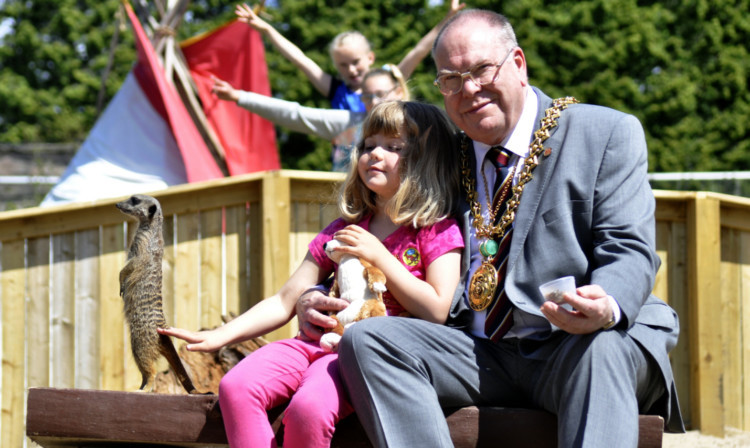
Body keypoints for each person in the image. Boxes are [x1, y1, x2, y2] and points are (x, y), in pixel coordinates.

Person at [297, 9, 685, 447]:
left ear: (518, 64)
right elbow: (384, 232)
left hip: (575, 346)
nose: (469, 89)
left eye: (481, 69)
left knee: (602, 346)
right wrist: (319, 295)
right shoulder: (440, 155)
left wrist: (607, 303)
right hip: (477, 352)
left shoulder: (604, 132)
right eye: (450, 79)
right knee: (370, 341)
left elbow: (630, 249)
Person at [159, 100, 465, 448]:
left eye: (393, 147)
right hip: (311, 344)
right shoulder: (342, 229)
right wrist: (220, 336)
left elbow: (438, 310)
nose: (374, 154)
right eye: (367, 145)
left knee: (309, 408)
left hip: (360, 358)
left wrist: (380, 256)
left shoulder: (435, 231)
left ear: (425, 161)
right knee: (236, 386)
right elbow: (284, 300)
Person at [235, 1, 464, 112]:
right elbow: (300, 59)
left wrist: (447, 17)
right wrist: (267, 30)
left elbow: (418, 51)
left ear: (370, 58)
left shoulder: (388, 78)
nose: (352, 70)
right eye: (343, 66)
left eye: (356, 62)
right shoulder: (336, 90)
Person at [212, 64, 410, 171]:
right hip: (354, 216)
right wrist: (240, 96)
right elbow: (296, 114)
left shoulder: (417, 125)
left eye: (381, 94)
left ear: (399, 91)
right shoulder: (350, 123)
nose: (375, 102)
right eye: (367, 96)